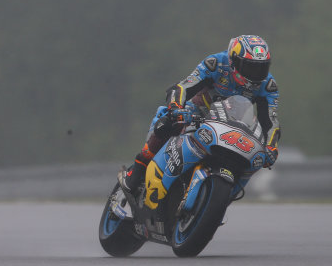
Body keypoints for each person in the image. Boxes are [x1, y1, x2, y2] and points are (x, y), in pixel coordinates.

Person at [120, 35, 281, 194]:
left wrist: (271, 147)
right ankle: (139, 168)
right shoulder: (216, 63)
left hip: (236, 124)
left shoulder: (268, 85)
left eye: (261, 68)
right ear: (233, 60)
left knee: (255, 154)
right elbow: (183, 87)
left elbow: (270, 121)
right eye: (249, 67)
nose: (255, 74)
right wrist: (176, 107)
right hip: (200, 111)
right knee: (169, 122)